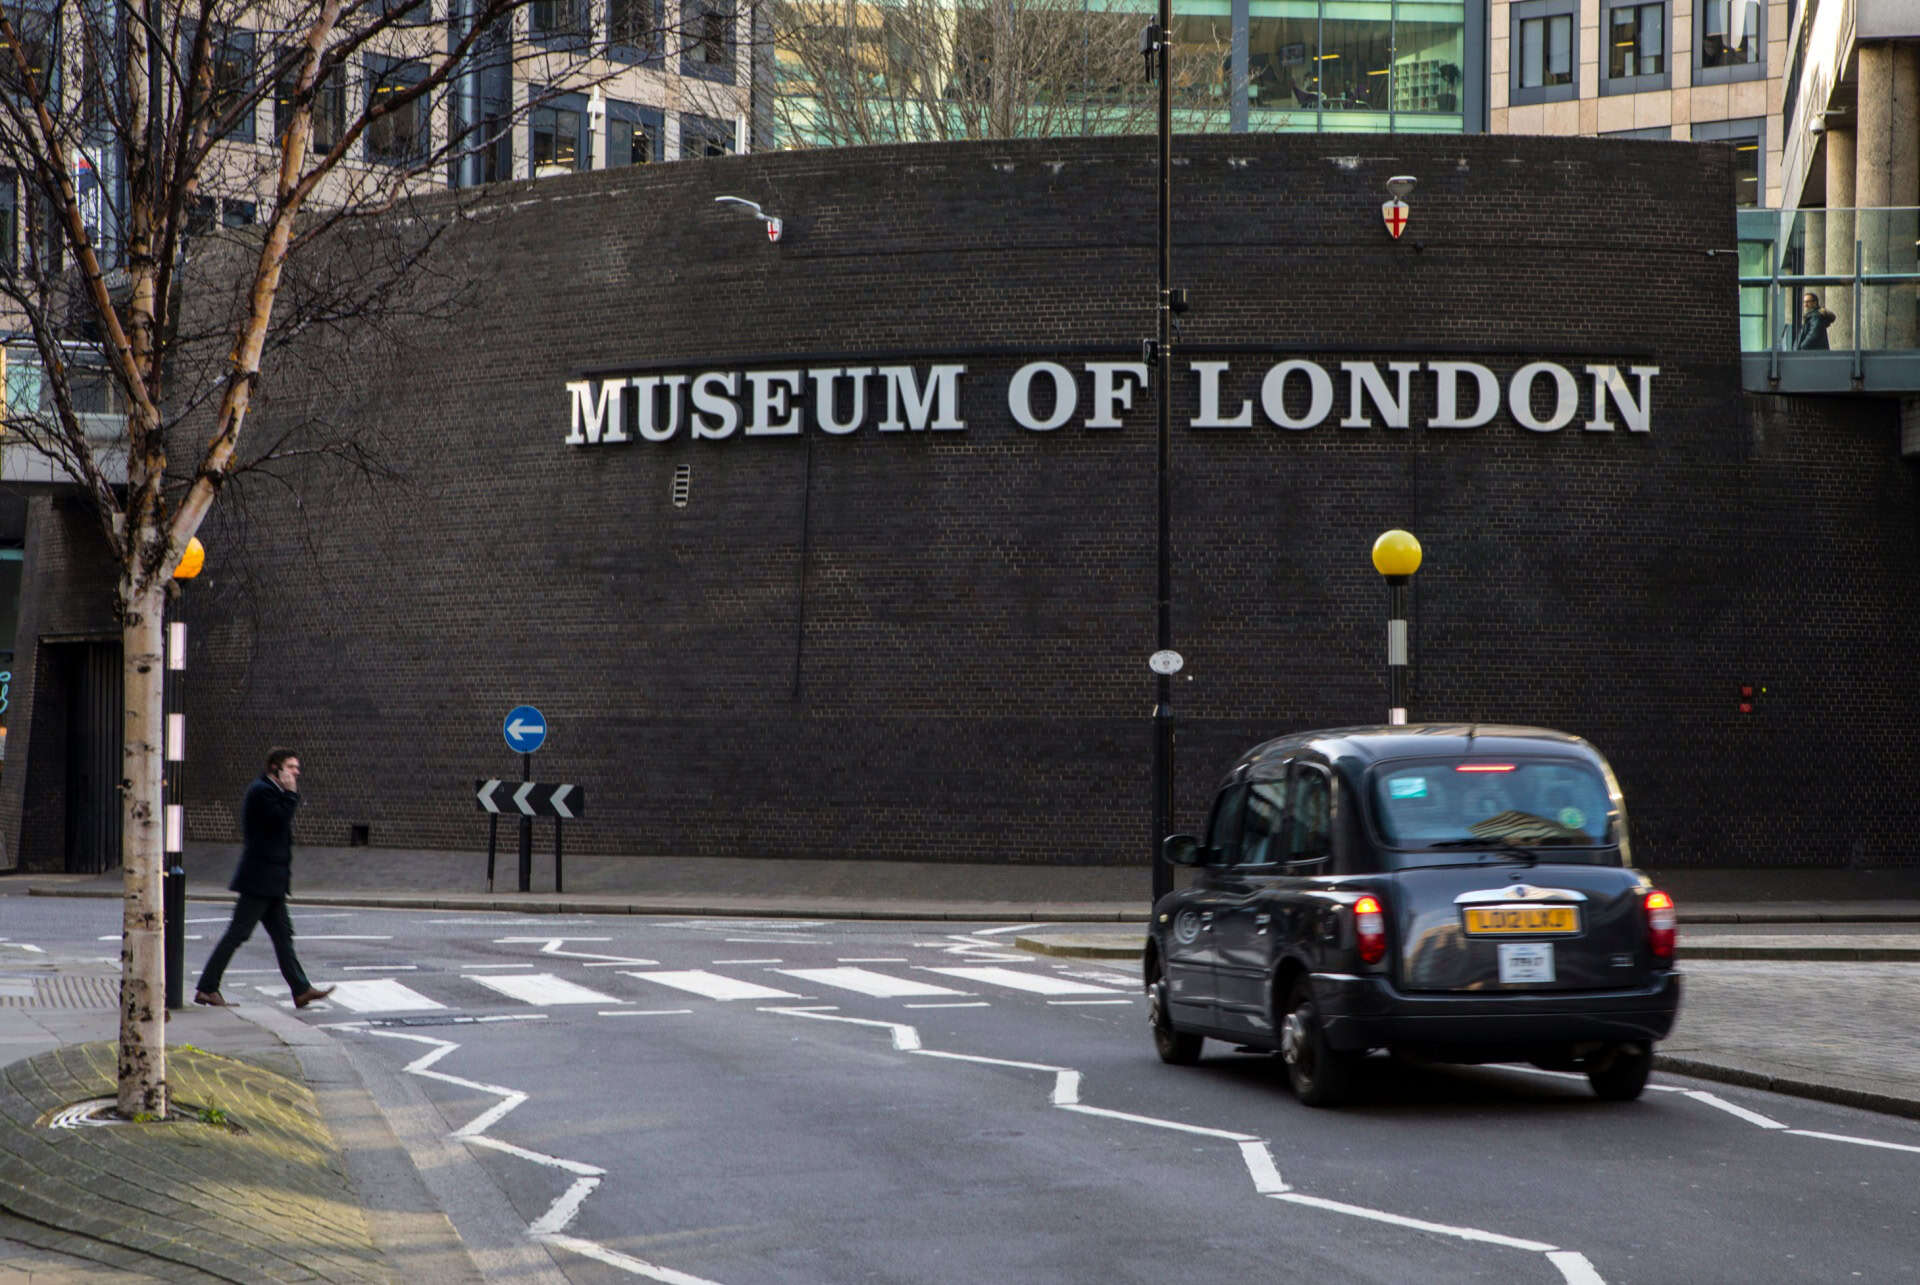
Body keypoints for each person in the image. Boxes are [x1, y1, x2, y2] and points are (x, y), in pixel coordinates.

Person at [193, 749, 334, 1009]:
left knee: (283, 937)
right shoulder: (262, 791)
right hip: (260, 880)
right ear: (274, 769)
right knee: (237, 934)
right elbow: (278, 821)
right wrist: (291, 795)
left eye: (296, 767)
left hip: (272, 882)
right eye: (291, 767)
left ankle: (301, 989)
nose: (296, 772)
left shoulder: (269, 791)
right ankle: (207, 987)